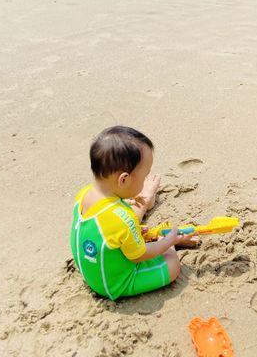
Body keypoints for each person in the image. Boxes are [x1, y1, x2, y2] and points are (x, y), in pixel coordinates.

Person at [70, 126, 196, 300]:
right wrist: (169, 241)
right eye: (144, 177)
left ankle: (145, 200)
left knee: (125, 223)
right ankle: (150, 205)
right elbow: (140, 255)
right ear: (124, 179)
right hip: (114, 284)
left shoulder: (84, 194)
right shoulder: (123, 218)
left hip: (93, 271)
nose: (145, 180)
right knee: (172, 265)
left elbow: (108, 228)